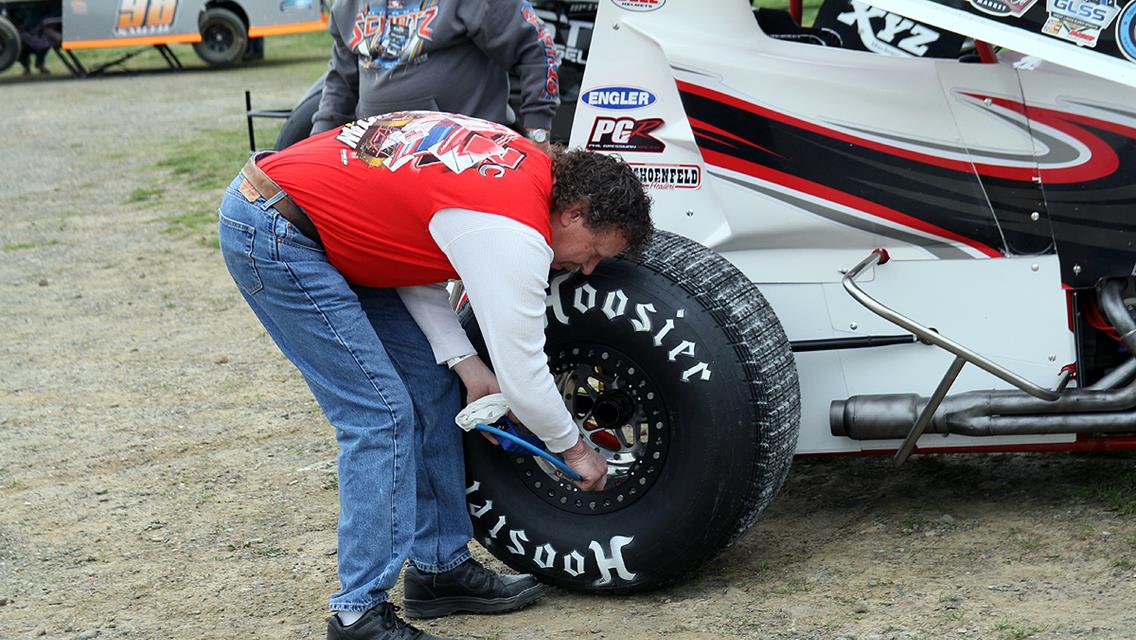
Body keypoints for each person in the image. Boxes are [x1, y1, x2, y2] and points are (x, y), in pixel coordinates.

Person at [217, 110, 652, 640]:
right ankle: (358, 614)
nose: (587, 268)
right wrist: (574, 448)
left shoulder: (524, 169)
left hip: (334, 228)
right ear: (576, 213)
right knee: (379, 416)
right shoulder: (514, 229)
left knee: (432, 391)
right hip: (279, 227)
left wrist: (466, 366)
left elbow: (408, 247)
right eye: (594, 253)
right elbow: (524, 374)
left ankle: (440, 571)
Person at [311, 0, 560, 149]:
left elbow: (538, 49)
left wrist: (538, 133)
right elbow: (340, 83)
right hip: (379, 156)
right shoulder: (348, 6)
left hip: (465, 156)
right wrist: (313, 147)